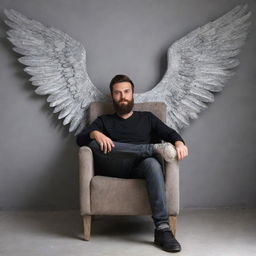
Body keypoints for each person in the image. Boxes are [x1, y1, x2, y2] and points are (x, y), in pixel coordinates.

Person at [76, 74, 188, 253]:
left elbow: (171, 134)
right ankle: (151, 149)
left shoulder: (148, 118)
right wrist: (95, 133)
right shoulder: (104, 121)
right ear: (112, 96)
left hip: (139, 168)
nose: (123, 97)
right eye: (118, 93)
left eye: (126, 92)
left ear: (133, 93)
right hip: (113, 165)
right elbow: (80, 140)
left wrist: (179, 143)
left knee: (152, 164)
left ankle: (162, 229)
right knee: (93, 144)